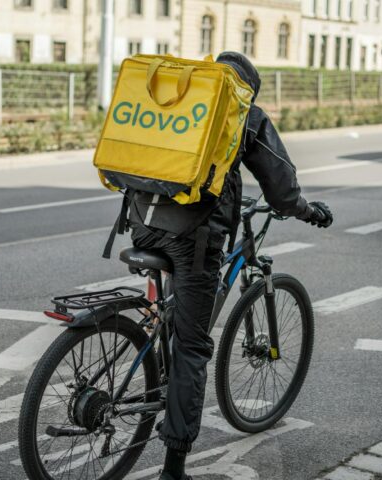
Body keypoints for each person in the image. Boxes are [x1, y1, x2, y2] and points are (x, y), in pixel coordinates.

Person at [127, 51, 333, 480]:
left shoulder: (180, 91)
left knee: (177, 317)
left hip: (141, 224)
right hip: (192, 237)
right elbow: (279, 186)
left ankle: (157, 359)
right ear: (246, 89)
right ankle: (174, 467)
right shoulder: (242, 112)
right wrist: (307, 210)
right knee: (193, 347)